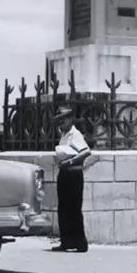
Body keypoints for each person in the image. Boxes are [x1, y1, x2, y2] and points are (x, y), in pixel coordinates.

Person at [53, 106, 90, 253]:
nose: (61, 122)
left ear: (70, 119)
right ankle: (66, 241)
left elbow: (86, 151)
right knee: (63, 209)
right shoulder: (64, 135)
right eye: (59, 120)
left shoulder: (75, 134)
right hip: (64, 173)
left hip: (73, 173)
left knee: (74, 209)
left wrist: (70, 162)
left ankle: (80, 242)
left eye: (64, 119)